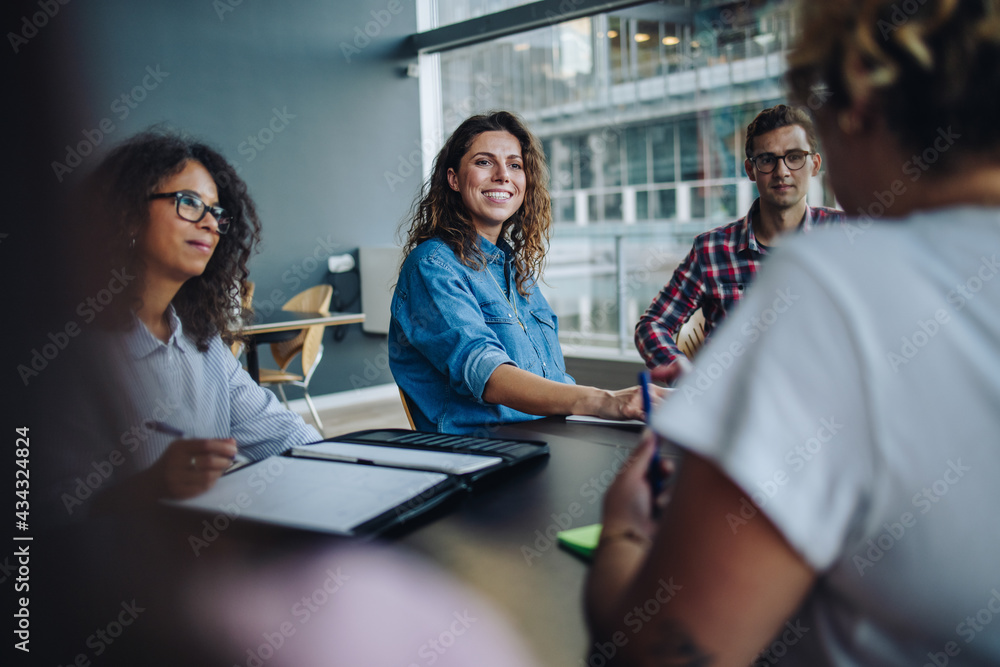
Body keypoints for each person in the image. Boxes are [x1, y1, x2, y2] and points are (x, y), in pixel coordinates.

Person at [586, 1, 1000, 665]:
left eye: (805, 153)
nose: (788, 171)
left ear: (857, 96)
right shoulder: (730, 251)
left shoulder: (838, 265)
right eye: (767, 161)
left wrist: (624, 531)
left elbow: (664, 651)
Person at [75, 129, 321, 503]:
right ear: (126, 215)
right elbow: (28, 518)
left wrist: (350, 468)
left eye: (216, 211)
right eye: (189, 202)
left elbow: (280, 431)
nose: (209, 223)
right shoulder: (71, 353)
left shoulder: (203, 343)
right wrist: (148, 486)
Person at [389, 111, 649, 434]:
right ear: (454, 179)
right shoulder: (432, 265)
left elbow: (552, 375)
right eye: (484, 162)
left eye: (515, 165)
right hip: (487, 452)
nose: (503, 175)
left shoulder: (515, 270)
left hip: (551, 433)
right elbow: (486, 373)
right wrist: (603, 401)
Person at [634, 104, 844, 371]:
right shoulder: (711, 250)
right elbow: (653, 325)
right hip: (735, 407)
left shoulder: (844, 235)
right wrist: (684, 374)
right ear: (750, 169)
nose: (782, 172)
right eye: (767, 159)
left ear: (814, 164)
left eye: (794, 157)